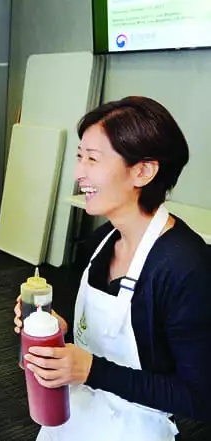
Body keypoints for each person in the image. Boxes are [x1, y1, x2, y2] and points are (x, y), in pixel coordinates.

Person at [14, 97, 211, 440]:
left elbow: (199, 397)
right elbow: (100, 344)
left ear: (143, 171)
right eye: (79, 156)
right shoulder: (102, 241)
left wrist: (91, 370)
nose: (78, 173)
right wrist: (57, 334)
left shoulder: (185, 266)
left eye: (92, 159)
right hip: (74, 415)